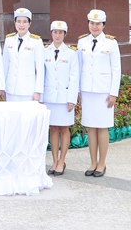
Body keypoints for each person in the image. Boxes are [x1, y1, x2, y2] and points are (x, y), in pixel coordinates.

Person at [77, 9, 120, 178]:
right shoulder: (82, 42)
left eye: (98, 24)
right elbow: (79, 67)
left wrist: (113, 93)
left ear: (103, 25)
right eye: (92, 23)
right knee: (90, 128)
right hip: (87, 91)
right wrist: (79, 90)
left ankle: (102, 163)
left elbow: (116, 69)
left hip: (104, 92)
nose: (94, 27)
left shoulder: (111, 43)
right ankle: (93, 162)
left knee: (102, 128)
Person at [42, 20, 80, 176]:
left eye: (60, 32)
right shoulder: (44, 51)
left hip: (64, 98)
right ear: (51, 33)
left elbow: (74, 78)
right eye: (55, 32)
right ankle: (54, 160)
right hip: (50, 97)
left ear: (65, 34)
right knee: (53, 129)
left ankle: (62, 161)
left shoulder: (71, 53)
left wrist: (72, 98)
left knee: (64, 129)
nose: (57, 35)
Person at [3, 7, 44, 102]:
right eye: (18, 21)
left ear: (30, 24)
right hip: (11, 89)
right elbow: (5, 65)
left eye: (25, 22)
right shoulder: (9, 40)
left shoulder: (36, 42)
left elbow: (40, 69)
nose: (21, 25)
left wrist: (38, 91)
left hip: (28, 90)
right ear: (14, 23)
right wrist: (3, 87)